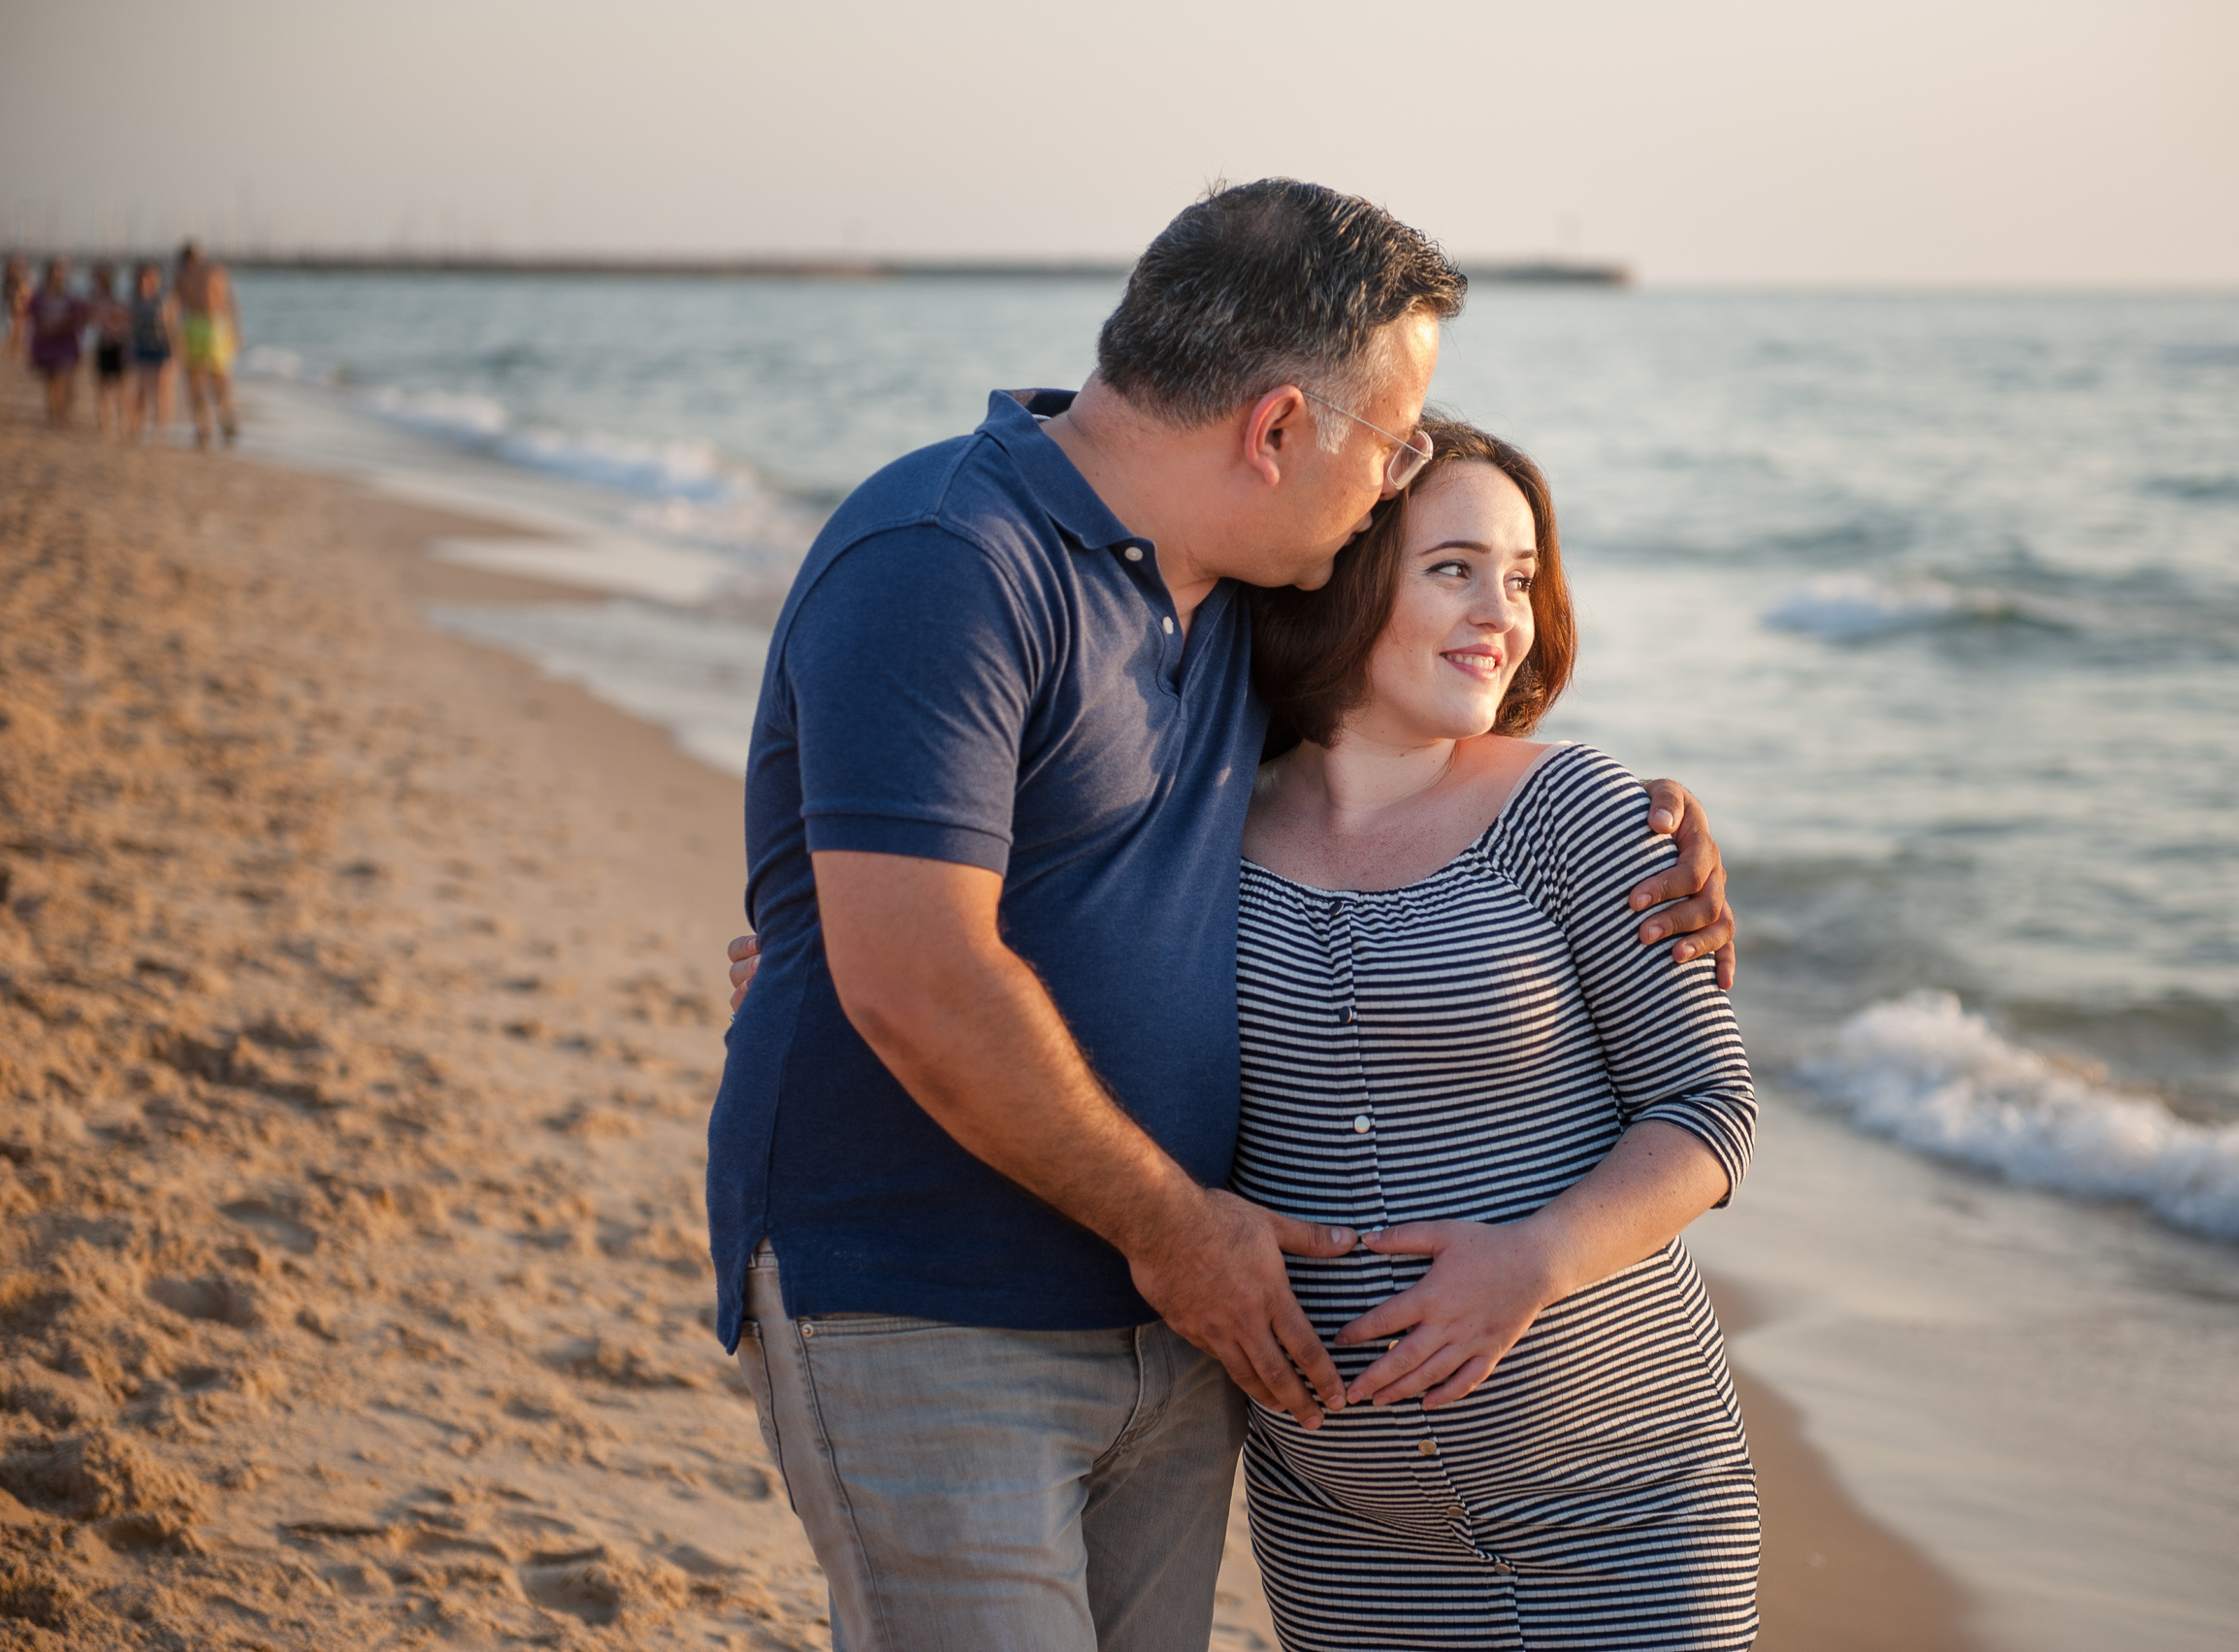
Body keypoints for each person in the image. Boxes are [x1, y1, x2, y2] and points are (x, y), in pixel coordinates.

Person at [712, 179, 1736, 1652]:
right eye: (1388, 447)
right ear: (1275, 431)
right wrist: (1174, 1225)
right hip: (932, 1298)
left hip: (1193, 1332)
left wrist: (1661, 821)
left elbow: (1398, 766)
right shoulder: (946, 556)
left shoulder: (1237, 612)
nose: (1392, 486)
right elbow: (914, 970)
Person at [1235, 419, 1757, 1649]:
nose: (1499, 614)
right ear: (1343, 574)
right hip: (1342, 1537)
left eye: (1521, 578)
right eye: (1454, 568)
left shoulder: (1573, 808)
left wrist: (1535, 1258)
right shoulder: (1197, 834)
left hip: (1629, 1509)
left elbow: (1709, 1111)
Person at [174, 241, 240, 448]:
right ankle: (211, 423)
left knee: (211, 379)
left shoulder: (187, 274)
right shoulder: (210, 271)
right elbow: (230, 301)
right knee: (208, 379)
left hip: (202, 325)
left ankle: (214, 422)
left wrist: (234, 328)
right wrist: (235, 328)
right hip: (207, 325)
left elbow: (229, 301)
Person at [24, 260, 85, 426]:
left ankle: (61, 413)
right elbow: (31, 314)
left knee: (63, 378)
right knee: (51, 380)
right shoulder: (40, 296)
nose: (59, 276)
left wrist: (59, 325)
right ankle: (54, 414)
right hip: (47, 342)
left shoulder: (69, 295)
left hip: (64, 342)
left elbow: (77, 318)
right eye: (57, 273)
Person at [126, 264, 178, 439]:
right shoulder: (133, 299)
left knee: (163, 389)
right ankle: (136, 425)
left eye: (149, 276)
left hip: (161, 346)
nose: (145, 280)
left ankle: (161, 428)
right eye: (142, 276)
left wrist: (174, 352)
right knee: (140, 388)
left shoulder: (164, 298)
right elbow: (129, 325)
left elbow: (171, 326)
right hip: (140, 346)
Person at [86, 264, 130, 438]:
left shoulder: (115, 298)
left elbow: (125, 319)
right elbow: (91, 321)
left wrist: (114, 324)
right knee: (102, 384)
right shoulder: (96, 298)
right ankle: (104, 419)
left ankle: (120, 419)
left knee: (119, 385)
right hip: (104, 344)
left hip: (116, 344)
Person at [3, 255, 28, 365]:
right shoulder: (11, 280)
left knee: (18, 330)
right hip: (14, 309)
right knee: (15, 329)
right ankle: (14, 352)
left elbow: (26, 294)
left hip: (19, 309)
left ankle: (15, 351)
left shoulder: (19, 280)